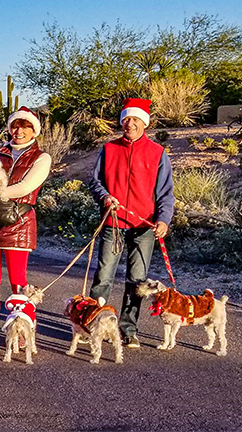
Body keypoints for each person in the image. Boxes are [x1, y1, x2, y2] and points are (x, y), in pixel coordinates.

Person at [87, 98, 175, 349]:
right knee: (103, 277)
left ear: (144, 123)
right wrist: (105, 197)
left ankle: (128, 329)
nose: (130, 124)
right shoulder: (109, 149)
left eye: (136, 119)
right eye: (126, 119)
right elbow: (95, 182)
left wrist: (163, 220)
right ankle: (94, 324)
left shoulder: (157, 153)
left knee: (137, 281)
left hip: (144, 227)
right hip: (113, 222)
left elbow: (166, 192)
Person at [0, 107, 51, 346]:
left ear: (34, 130)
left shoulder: (41, 157)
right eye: (15, 126)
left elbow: (25, 187)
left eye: (25, 126)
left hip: (19, 223)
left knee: (18, 282)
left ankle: (22, 332)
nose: (19, 131)